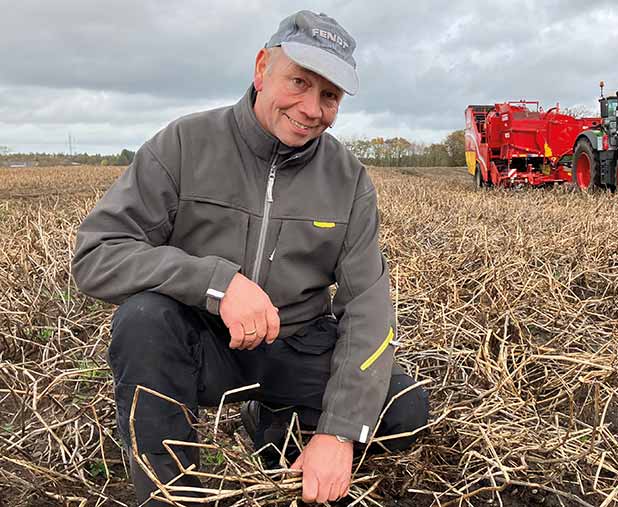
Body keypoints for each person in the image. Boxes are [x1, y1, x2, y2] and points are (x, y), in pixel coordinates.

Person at [72, 10, 428, 506]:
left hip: (296, 346)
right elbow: (97, 253)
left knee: (402, 410)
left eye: (329, 96)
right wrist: (216, 284)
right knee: (143, 320)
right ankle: (170, 494)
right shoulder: (183, 144)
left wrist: (340, 432)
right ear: (262, 69)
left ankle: (278, 426)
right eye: (299, 82)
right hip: (205, 347)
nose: (311, 108)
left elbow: (368, 309)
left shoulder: (348, 181)